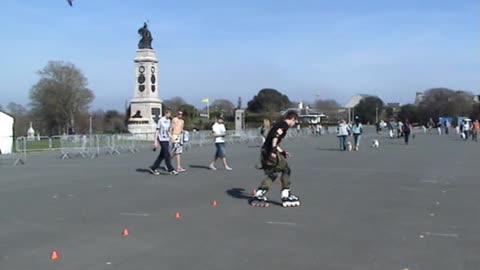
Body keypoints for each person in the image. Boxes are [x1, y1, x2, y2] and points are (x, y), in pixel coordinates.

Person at [251, 110, 301, 207]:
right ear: (292, 119)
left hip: (265, 150)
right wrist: (274, 150)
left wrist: (282, 151)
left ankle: (259, 193)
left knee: (273, 173)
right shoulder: (284, 125)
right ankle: (285, 195)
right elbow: (275, 136)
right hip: (269, 151)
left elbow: (274, 139)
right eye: (295, 121)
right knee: (286, 169)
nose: (294, 124)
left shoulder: (279, 124)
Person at [148, 108, 178, 175]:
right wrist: (155, 141)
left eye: (170, 114)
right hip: (161, 139)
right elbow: (157, 130)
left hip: (166, 139)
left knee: (162, 155)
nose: (170, 115)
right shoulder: (161, 120)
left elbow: (168, 131)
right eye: (169, 114)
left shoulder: (169, 121)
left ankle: (153, 168)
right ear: (166, 113)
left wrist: (171, 138)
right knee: (167, 154)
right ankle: (171, 169)